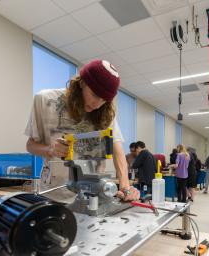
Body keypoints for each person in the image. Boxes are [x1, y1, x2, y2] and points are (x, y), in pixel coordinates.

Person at [25, 59, 140, 202]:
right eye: (95, 95)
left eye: (104, 100)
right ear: (82, 82)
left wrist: (125, 186)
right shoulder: (44, 100)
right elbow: (30, 145)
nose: (97, 104)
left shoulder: (105, 113)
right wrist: (51, 150)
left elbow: (118, 151)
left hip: (93, 198)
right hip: (54, 195)